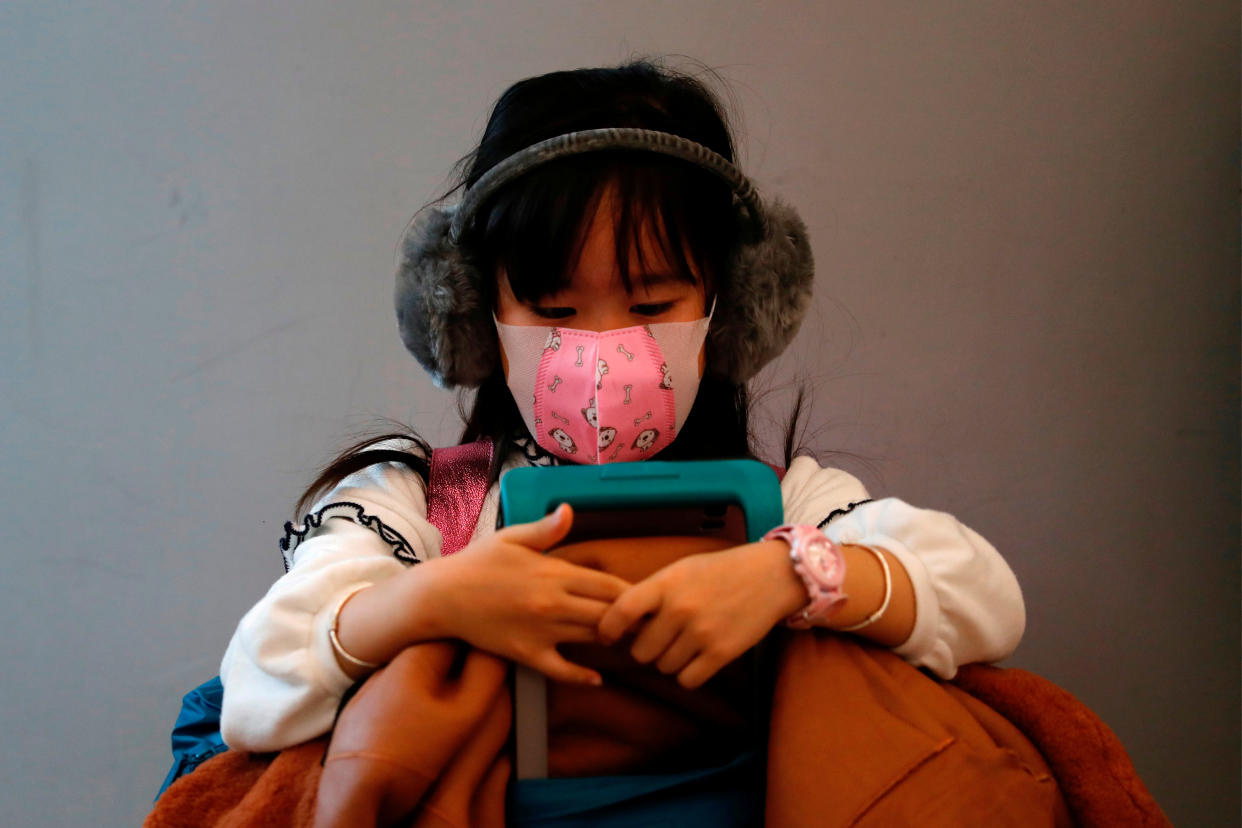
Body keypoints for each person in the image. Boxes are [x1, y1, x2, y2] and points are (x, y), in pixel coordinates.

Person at [217, 60, 1024, 822]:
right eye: (557, 313)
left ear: (732, 310)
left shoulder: (789, 505)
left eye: (648, 307)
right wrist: (432, 598)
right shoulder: (417, 508)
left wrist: (795, 574)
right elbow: (255, 685)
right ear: (471, 322)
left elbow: (988, 598)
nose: (603, 350)